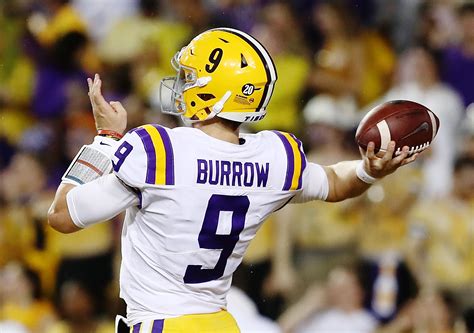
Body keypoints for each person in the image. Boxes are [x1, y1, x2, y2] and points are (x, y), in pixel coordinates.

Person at [48, 28, 419, 332]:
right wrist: (371, 170)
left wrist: (104, 140)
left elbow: (62, 215)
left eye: (190, 77)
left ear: (215, 91)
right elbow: (337, 183)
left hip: (161, 324)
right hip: (222, 324)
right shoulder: (274, 159)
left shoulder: (159, 150)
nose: (182, 84)